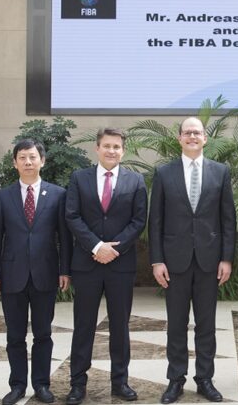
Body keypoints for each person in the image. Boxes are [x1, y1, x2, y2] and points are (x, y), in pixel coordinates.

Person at [148, 117, 236, 404]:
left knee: (206, 324)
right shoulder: (164, 173)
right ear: (179, 138)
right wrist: (157, 260)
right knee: (176, 324)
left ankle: (205, 379)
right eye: (187, 133)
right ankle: (175, 379)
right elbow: (156, 220)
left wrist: (226, 258)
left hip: (210, 261)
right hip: (174, 262)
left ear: (205, 138)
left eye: (197, 132)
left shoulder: (220, 172)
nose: (192, 137)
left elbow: (228, 219)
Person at [64, 128, 148, 405]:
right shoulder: (79, 178)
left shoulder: (136, 180)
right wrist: (96, 246)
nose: (112, 151)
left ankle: (120, 382)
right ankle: (78, 383)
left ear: (123, 150)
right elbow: (72, 216)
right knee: (83, 325)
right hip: (87, 264)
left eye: (116, 147)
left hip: (120, 265)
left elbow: (139, 220)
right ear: (97, 148)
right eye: (107, 146)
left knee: (120, 326)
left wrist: (115, 249)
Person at [0, 139, 72, 405]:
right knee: (15, 335)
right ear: (14, 163)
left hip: (46, 274)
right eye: (22, 157)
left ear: (42, 161)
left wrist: (65, 270)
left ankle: (42, 385)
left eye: (33, 157)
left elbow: (64, 237)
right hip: (12, 275)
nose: (28, 162)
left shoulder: (58, 194)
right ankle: (17, 385)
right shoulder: (2, 197)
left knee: (43, 334)